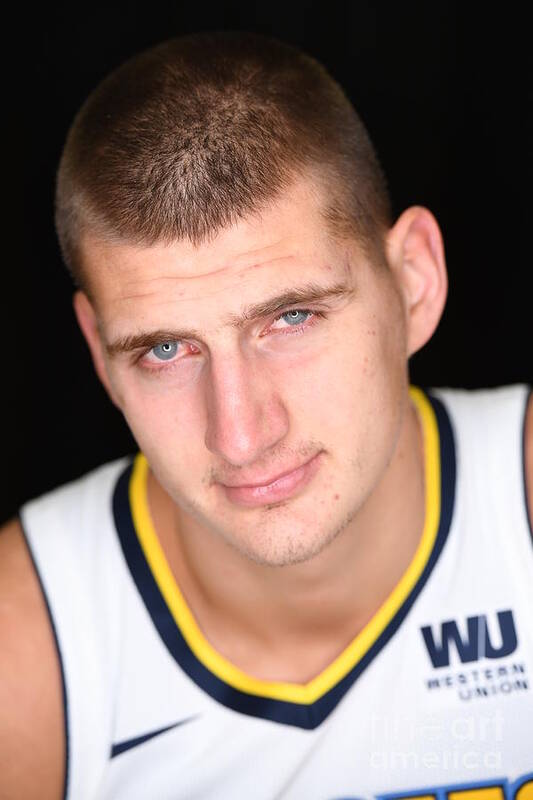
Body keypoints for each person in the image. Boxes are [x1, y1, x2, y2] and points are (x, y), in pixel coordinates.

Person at [1, 30, 532, 800]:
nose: (241, 435)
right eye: (165, 350)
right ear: (97, 350)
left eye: (291, 319)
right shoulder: (29, 652)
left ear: (412, 282)